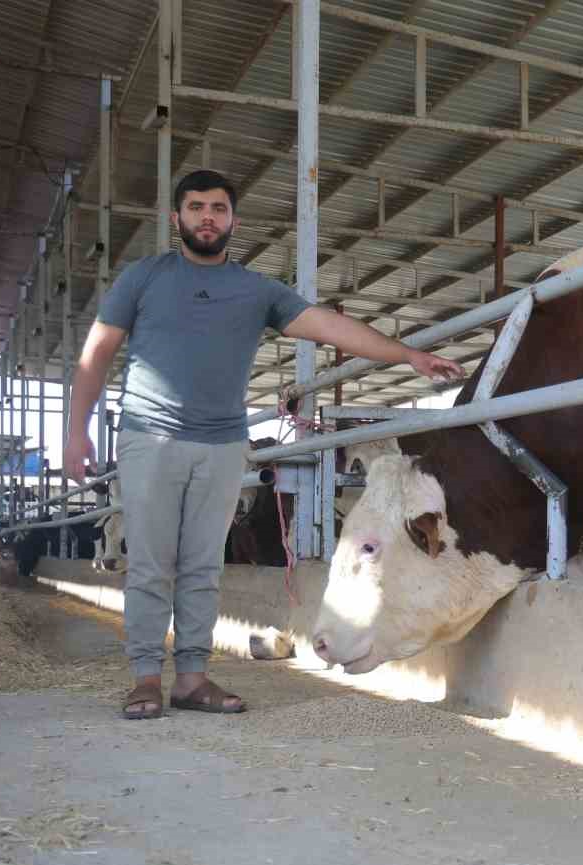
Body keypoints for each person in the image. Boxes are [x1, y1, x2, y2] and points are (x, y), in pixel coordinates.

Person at [63, 169, 464, 720]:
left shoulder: (256, 290)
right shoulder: (144, 278)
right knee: (152, 563)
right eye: (197, 207)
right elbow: (98, 350)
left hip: (224, 445)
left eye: (219, 208)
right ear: (175, 218)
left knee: (204, 566)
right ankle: (145, 678)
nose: (208, 217)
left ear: (234, 220)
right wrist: (75, 429)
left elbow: (326, 324)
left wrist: (407, 356)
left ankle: (193, 677)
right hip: (150, 438)